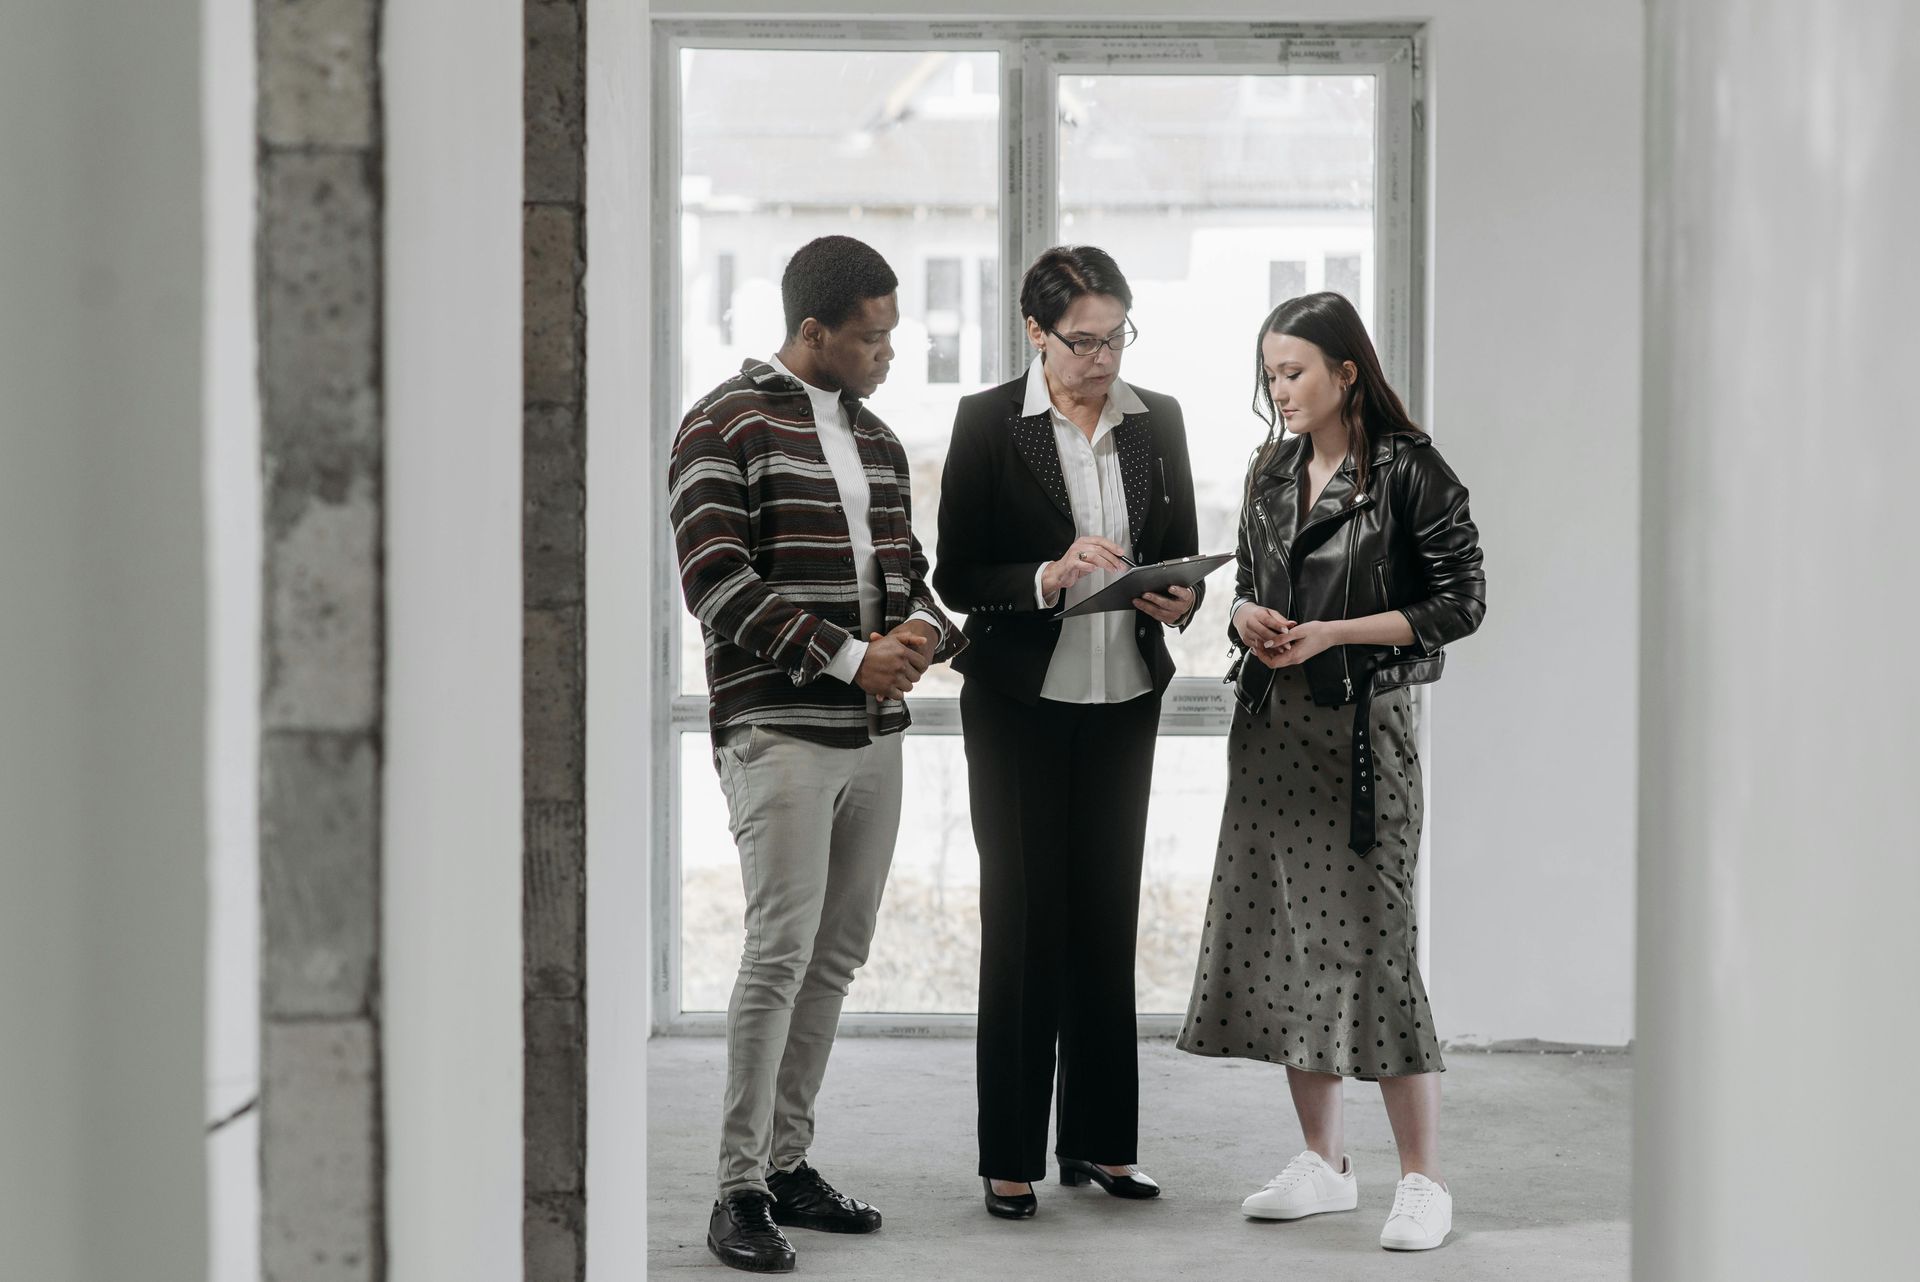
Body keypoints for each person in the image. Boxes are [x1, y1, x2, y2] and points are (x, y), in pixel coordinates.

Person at [668, 235, 965, 1274]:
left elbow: (910, 578)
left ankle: (790, 1161)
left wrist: (928, 635)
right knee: (779, 952)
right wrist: (849, 657)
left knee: (836, 957)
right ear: (812, 331)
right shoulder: (722, 423)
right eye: (872, 337)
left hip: (873, 740)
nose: (888, 352)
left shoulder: (879, 440)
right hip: (780, 733)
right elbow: (716, 580)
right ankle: (737, 1187)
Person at [1177, 290, 1485, 1252]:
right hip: (1272, 733)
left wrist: (1334, 634)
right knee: (1284, 946)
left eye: (1295, 371)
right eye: (1270, 373)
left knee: (1375, 951)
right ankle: (1324, 1165)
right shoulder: (1271, 469)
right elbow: (1248, 582)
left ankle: (1425, 1182)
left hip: (1362, 735)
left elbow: (1462, 601)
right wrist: (1247, 619)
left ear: (1346, 371)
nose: (1279, 391)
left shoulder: (1410, 471)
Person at [934, 245, 1203, 1220]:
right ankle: (1010, 1153)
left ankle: (1100, 1143)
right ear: (1037, 333)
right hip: (1017, 704)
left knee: (1104, 918)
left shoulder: (1156, 420)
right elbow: (958, 576)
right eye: (1083, 339)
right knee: (1023, 922)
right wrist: (1048, 575)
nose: (1102, 357)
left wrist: (1180, 596)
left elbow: (1179, 547)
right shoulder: (987, 425)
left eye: (1117, 334)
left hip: (1124, 696)